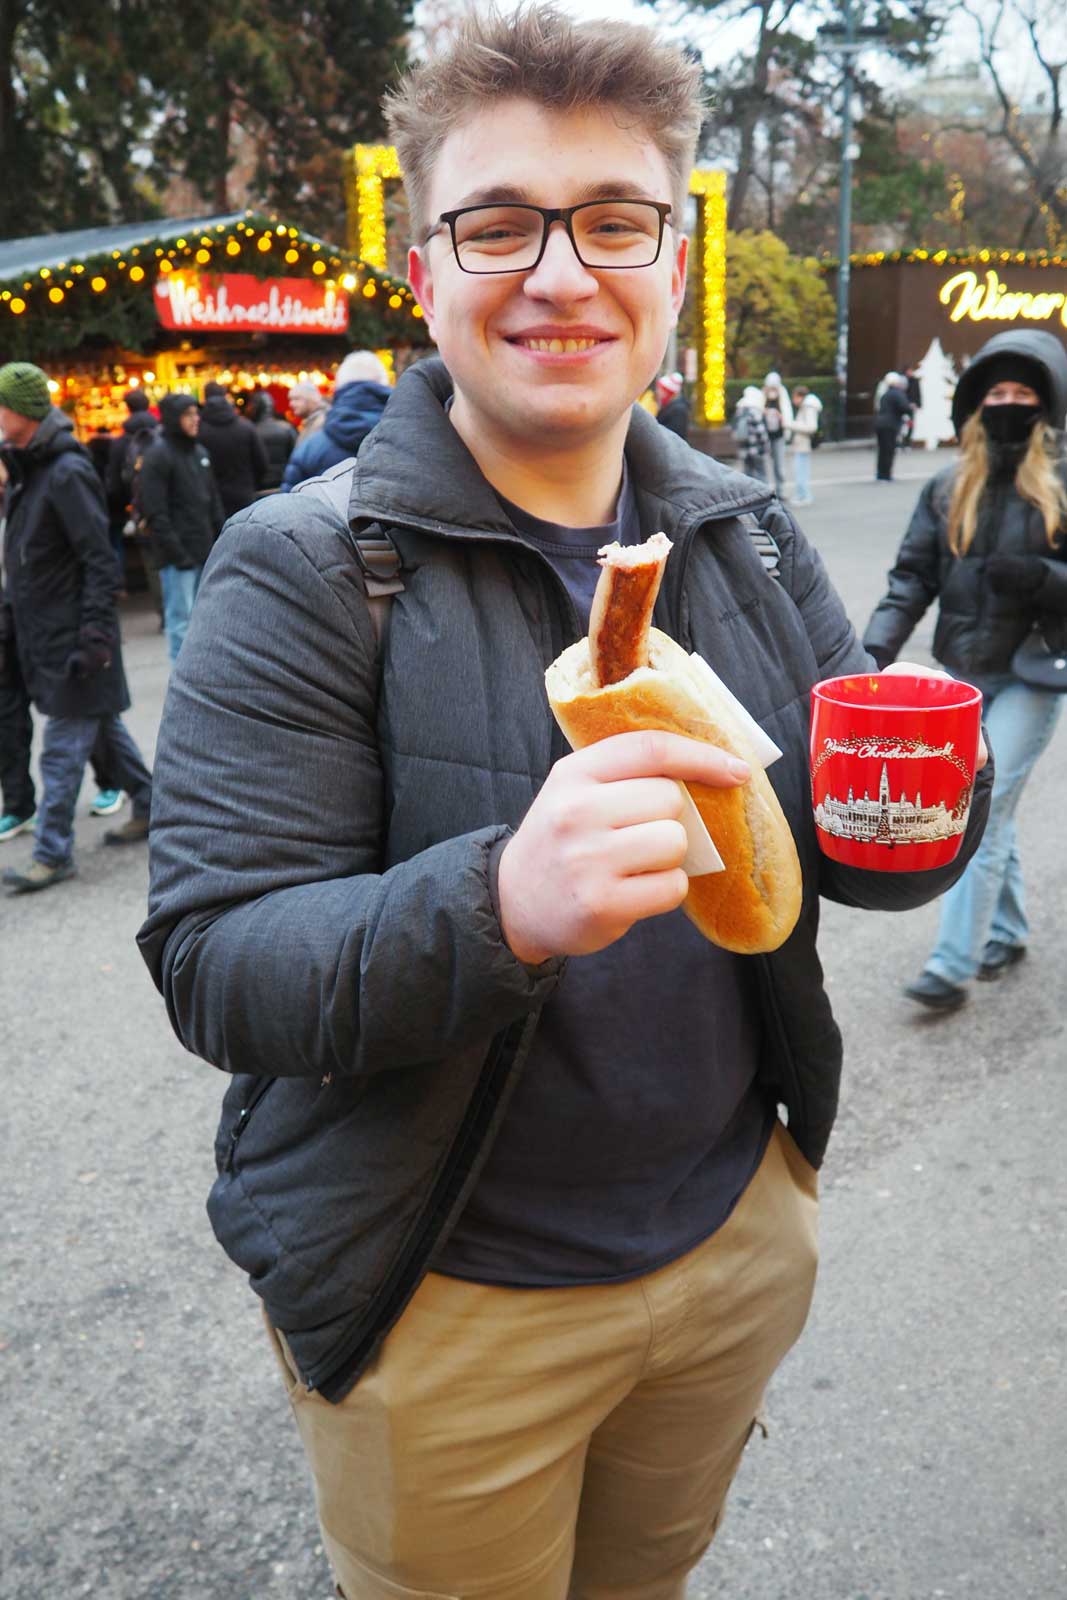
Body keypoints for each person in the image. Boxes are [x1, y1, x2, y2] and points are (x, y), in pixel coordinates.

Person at [136, 11, 990, 1597]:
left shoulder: (742, 531)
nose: (557, 272)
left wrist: (922, 796)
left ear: (671, 261)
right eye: (496, 224)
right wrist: (500, 905)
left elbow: (835, 850)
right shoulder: (305, 568)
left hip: (733, 1235)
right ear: (422, 269)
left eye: (611, 221)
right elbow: (215, 961)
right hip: (452, 1300)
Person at [865, 329, 1067, 1012]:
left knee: (978, 805)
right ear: (977, 404)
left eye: (1023, 393)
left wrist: (1041, 576)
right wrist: (871, 655)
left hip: (1031, 675)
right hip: (959, 677)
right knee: (992, 809)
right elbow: (910, 579)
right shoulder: (946, 485)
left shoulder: (1061, 484)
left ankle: (951, 966)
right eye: (996, 392)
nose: (1008, 403)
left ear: (1046, 404)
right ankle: (1005, 930)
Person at [0, 362, 153, 893]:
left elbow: (98, 559)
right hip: (46, 635)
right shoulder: (31, 469)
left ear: (20, 411)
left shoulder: (64, 471)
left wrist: (93, 637)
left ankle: (52, 852)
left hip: (73, 639)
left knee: (62, 750)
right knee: (102, 731)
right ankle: (151, 803)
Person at [138, 393, 225, 664]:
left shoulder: (200, 453)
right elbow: (155, 510)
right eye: (188, 414)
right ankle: (183, 678)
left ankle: (206, 674)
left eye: (196, 413)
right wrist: (177, 553)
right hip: (178, 558)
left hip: (204, 550)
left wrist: (221, 539)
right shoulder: (158, 456)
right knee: (180, 622)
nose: (195, 419)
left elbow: (213, 501)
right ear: (174, 418)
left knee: (207, 619)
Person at [279, 351, 392, 490]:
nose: (291, 404)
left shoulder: (311, 447)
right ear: (384, 383)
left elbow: (291, 498)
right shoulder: (411, 437)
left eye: (297, 399)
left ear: (339, 386)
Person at [196, 381, 268, 520]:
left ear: (204, 397)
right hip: (243, 495)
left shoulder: (199, 431)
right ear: (225, 396)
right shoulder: (246, 427)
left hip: (212, 500)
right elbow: (262, 464)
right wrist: (250, 484)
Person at [249, 391, 297, 489]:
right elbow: (294, 457)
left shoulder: (250, 430)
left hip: (258, 485)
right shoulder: (286, 428)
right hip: (282, 482)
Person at [874, 372, 912, 482]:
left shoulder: (885, 394)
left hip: (880, 423)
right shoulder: (897, 394)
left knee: (882, 450)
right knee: (889, 450)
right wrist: (910, 409)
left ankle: (880, 473)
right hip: (890, 424)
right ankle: (886, 474)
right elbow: (904, 407)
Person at [761, 371, 793, 496]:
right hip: (764, 435)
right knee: (764, 464)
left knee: (779, 464)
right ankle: (764, 491)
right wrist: (764, 412)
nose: (772, 390)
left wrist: (781, 417)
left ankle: (780, 491)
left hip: (779, 435)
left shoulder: (782, 395)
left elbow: (787, 413)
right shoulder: (762, 395)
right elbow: (757, 411)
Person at [790, 385, 822, 506]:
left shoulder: (808, 407)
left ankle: (804, 495)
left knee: (800, 471)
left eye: (794, 397)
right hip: (802, 444)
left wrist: (792, 424)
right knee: (801, 470)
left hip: (804, 444)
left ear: (800, 396)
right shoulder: (807, 406)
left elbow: (811, 427)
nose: (793, 400)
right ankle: (802, 494)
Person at [731, 384, 769, 479]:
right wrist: (766, 447)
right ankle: (762, 489)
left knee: (747, 475)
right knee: (760, 474)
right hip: (757, 449)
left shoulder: (740, 410)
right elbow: (761, 432)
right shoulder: (755, 411)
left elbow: (734, 429)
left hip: (744, 449)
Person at [654, 369, 689, 439]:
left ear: (668, 392)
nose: (657, 392)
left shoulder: (678, 410)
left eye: (660, 389)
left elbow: (675, 433)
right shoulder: (670, 407)